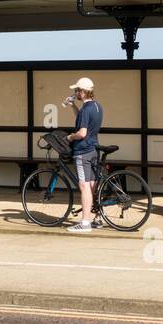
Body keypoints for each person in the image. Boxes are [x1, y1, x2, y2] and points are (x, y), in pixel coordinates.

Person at [63, 78, 103, 233]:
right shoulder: (96, 106)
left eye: (77, 91)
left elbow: (82, 132)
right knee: (92, 184)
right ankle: (97, 218)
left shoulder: (86, 109)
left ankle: (85, 223)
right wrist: (73, 106)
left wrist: (70, 137)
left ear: (82, 91)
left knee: (84, 186)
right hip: (93, 149)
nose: (75, 93)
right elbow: (83, 119)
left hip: (82, 151)